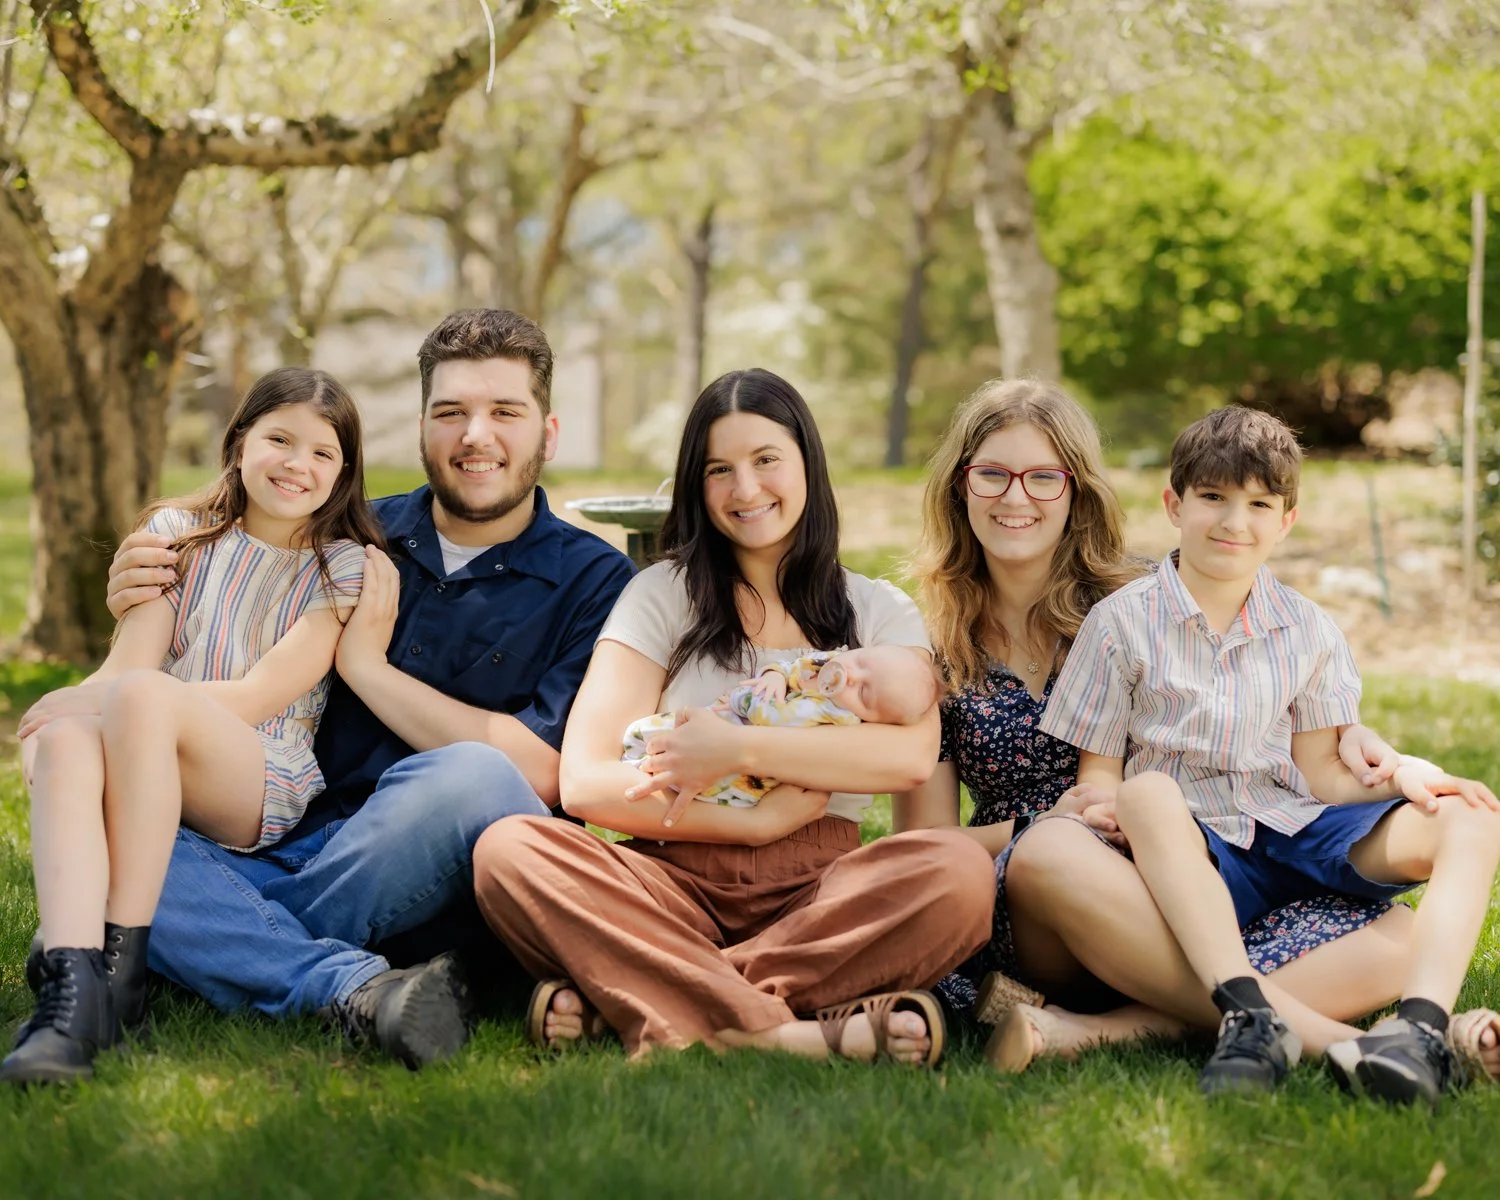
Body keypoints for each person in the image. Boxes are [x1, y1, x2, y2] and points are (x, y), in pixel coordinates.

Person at [79, 309, 634, 1070]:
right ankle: (352, 983)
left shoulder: (594, 581)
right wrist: (145, 587)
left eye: (506, 412)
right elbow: (226, 581)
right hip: (273, 841)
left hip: (427, 863)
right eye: (451, 413)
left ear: (549, 431)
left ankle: (224, 945)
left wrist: (368, 669)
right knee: (112, 833)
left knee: (470, 772)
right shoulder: (350, 533)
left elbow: (540, 772)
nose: (477, 436)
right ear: (420, 427)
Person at [897, 379, 1427, 1082]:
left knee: (1404, 938)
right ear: (960, 487)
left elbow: (1265, 716)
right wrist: (1034, 821)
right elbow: (925, 853)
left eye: (1043, 478)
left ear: (1076, 492)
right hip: (1045, 896)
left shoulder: (1144, 600)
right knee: (1051, 853)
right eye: (992, 474)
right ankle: (1339, 1041)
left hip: (1187, 868)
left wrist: (1362, 740)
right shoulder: (929, 648)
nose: (1015, 497)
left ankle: (1100, 1032)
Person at [471, 368, 995, 1064]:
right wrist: (748, 821)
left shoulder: (878, 611)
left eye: (766, 460)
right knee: (511, 851)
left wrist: (739, 751)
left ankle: (646, 998)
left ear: (808, 462)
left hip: (819, 893)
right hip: (670, 877)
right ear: (697, 484)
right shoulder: (661, 596)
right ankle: (779, 1032)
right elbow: (587, 785)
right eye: (720, 468)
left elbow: (904, 759)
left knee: (957, 871)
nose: (745, 489)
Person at [1042, 404, 1500, 1103]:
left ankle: (1422, 1033)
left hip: (1291, 827)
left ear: (1286, 520)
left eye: (1260, 504)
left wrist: (1403, 774)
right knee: (1144, 791)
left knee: (1472, 816)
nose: (1235, 522)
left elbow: (1321, 772)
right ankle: (1247, 1012)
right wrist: (1101, 806)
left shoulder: (1308, 628)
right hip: (1190, 850)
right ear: (1175, 503)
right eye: (1214, 498)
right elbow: (1100, 774)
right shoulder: (1119, 624)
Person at [4, 367, 377, 1085]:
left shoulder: (344, 568)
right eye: (279, 439)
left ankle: (125, 975)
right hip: (145, 729)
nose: (298, 464)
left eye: (323, 453)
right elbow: (127, 666)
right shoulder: (175, 534)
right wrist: (65, 722)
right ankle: (71, 1000)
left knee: (135, 703)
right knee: (72, 734)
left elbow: (259, 695)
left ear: (343, 473)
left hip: (255, 767)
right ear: (238, 443)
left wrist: (106, 703)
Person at [621, 643, 941, 820]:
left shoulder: (831, 713)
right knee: (653, 738)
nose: (852, 676)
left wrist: (745, 698)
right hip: (716, 729)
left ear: (870, 719)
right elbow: (792, 668)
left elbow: (766, 714)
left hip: (742, 768)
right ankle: (638, 761)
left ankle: (642, 766)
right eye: (860, 661)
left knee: (684, 772)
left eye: (865, 695)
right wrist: (774, 674)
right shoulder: (828, 665)